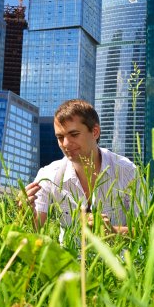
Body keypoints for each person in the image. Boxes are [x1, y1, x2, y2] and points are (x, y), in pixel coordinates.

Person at [22, 99, 143, 236]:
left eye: (74, 134)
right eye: (60, 137)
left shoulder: (126, 170)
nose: (65, 144)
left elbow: (150, 229)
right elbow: (37, 230)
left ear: (95, 132)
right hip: (69, 256)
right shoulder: (48, 175)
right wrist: (27, 211)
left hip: (117, 257)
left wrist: (113, 232)